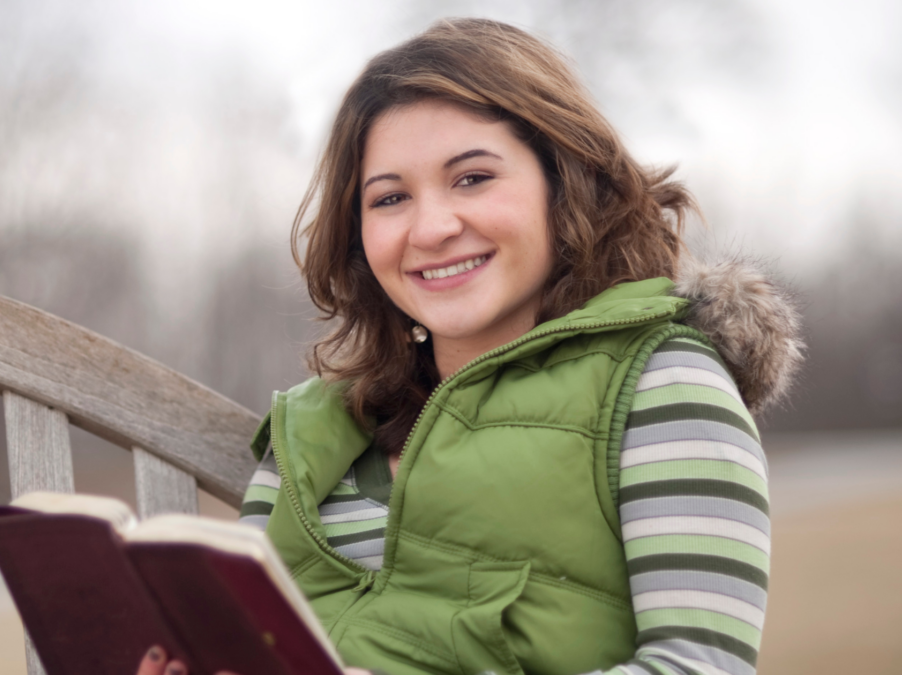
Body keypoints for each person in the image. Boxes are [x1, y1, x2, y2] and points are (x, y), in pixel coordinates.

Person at [137, 17, 802, 675]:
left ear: (563, 180)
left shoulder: (661, 381)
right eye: (390, 197)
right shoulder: (312, 427)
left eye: (472, 178)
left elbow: (699, 666)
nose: (430, 227)